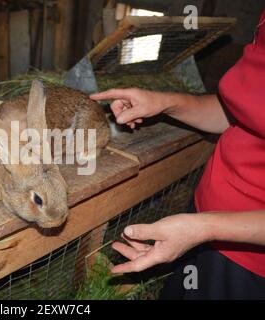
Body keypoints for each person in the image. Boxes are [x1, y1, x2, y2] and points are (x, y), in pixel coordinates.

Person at [90, 10, 265, 299]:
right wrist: (163, 102)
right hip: (205, 218)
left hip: (250, 263)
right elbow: (238, 113)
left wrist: (204, 229)